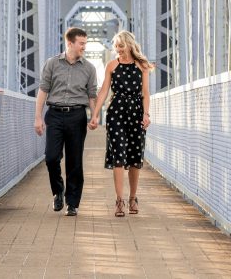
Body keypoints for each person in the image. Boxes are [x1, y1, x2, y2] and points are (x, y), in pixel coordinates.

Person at [88, 30, 153, 217]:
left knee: (134, 158)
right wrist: (95, 115)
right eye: (116, 47)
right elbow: (103, 92)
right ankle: (119, 201)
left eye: (121, 46)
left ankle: (133, 198)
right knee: (118, 155)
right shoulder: (112, 65)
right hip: (116, 113)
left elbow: (146, 93)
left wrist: (146, 114)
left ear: (130, 45)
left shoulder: (142, 66)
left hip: (136, 113)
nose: (118, 50)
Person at [34, 27, 98, 217]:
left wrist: (94, 116)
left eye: (85, 44)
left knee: (75, 161)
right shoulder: (52, 64)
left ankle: (72, 202)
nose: (84, 47)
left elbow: (92, 95)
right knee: (51, 157)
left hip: (77, 116)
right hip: (54, 114)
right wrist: (38, 117)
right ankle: (58, 191)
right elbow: (43, 91)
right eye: (81, 44)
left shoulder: (89, 68)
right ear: (70, 43)